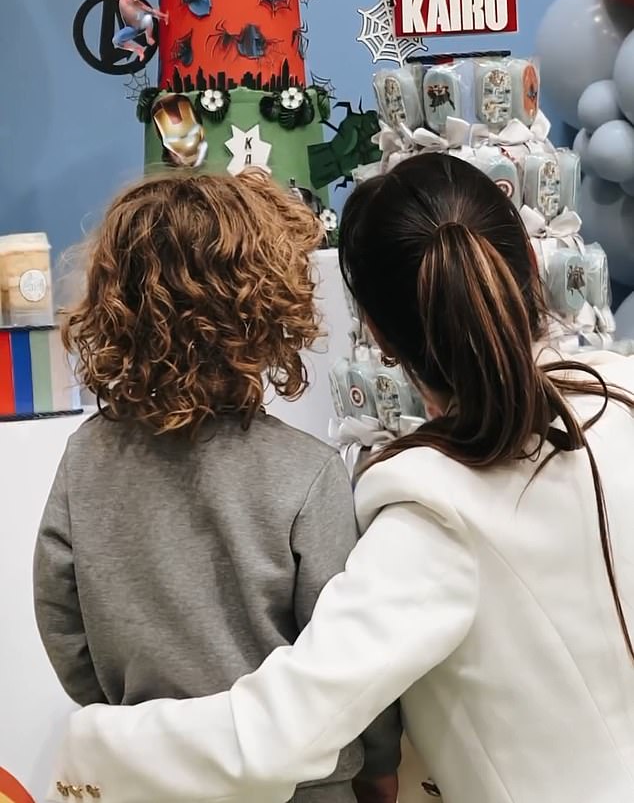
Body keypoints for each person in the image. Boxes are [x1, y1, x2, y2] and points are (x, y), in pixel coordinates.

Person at [48, 153, 634, 803]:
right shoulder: (623, 402)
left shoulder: (429, 506)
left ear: (377, 335)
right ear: (530, 257)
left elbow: (289, 725)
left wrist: (93, 741)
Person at [34, 169, 400, 803]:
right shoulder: (307, 472)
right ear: (268, 311)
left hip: (147, 778)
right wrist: (379, 763)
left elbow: (62, 622)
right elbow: (349, 658)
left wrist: (135, 720)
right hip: (297, 785)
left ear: (113, 304)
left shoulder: (84, 460)